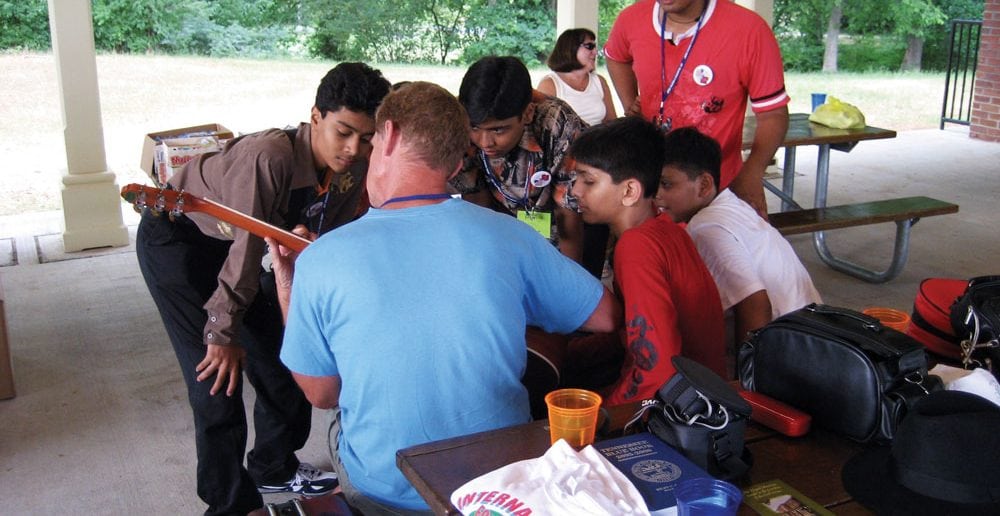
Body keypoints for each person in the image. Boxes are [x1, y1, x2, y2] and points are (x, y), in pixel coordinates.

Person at [270, 82, 622, 513]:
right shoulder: (511, 235)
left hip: (387, 491)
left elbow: (321, 393)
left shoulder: (322, 259)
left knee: (340, 419)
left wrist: (287, 286)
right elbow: (605, 316)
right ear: (457, 161)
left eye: (374, 138)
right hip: (499, 483)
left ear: (392, 135)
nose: (366, 151)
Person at [135, 62, 391, 515]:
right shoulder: (268, 156)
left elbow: (325, 237)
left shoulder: (350, 169)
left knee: (288, 358)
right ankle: (229, 503)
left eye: (366, 137)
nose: (354, 148)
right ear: (315, 117)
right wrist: (222, 331)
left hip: (244, 253)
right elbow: (246, 249)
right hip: (179, 244)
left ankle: (272, 466)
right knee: (216, 380)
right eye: (343, 132)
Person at [569, 116, 725, 406]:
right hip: (703, 388)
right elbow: (636, 331)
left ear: (630, 191)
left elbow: (658, 366)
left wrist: (605, 415)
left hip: (685, 405)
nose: (576, 190)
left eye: (588, 180)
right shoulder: (665, 227)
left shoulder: (636, 246)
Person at [603, 0, 790, 218]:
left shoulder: (749, 30)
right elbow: (616, 56)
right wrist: (630, 104)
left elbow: (773, 114)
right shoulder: (631, 19)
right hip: (647, 182)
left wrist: (752, 173)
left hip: (713, 188)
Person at [654, 127, 821, 370]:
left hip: (791, 353)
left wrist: (746, 380)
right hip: (812, 334)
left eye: (666, 184)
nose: (656, 195)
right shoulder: (731, 204)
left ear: (704, 185)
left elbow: (754, 303)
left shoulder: (706, 227)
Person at [451, 55, 609, 277]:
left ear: (527, 113)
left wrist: (570, 285)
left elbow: (569, 215)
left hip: (576, 223)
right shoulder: (459, 122)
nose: (485, 142)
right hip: (508, 221)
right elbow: (477, 201)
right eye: (475, 128)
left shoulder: (558, 124)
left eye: (498, 130)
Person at [538, 28, 618, 126]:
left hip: (599, 139)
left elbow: (612, 122)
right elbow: (542, 126)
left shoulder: (599, 81)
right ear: (570, 49)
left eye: (595, 47)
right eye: (590, 46)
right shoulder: (550, 84)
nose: (595, 52)